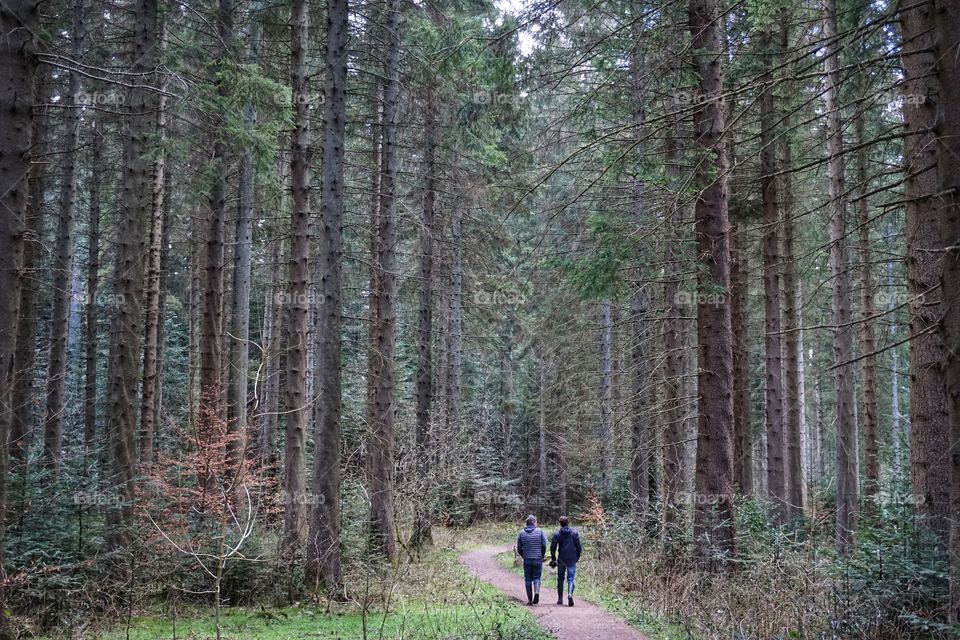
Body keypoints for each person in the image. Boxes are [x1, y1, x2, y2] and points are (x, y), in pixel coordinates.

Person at [549, 515, 582, 607]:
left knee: (560, 579)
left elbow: (552, 548)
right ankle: (570, 594)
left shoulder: (557, 534)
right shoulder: (574, 533)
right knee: (570, 578)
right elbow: (579, 547)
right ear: (568, 522)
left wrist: (553, 559)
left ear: (560, 523)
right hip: (572, 559)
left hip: (561, 559)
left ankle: (560, 599)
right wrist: (577, 557)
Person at [516, 514, 547, 605]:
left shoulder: (521, 533)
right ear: (533, 522)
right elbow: (544, 545)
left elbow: (519, 548)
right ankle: (536, 592)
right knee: (537, 577)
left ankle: (530, 600)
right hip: (537, 558)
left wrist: (524, 555)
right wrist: (541, 554)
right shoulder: (540, 531)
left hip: (527, 559)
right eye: (536, 521)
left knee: (528, 579)